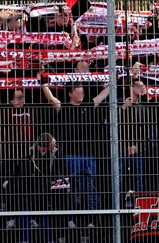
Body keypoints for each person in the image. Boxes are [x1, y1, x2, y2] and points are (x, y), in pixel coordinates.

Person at [41, 80, 112, 229]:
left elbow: (101, 96)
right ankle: (71, 219)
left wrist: (112, 81)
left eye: (83, 92)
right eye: (78, 92)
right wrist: (43, 83)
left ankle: (92, 220)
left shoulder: (88, 105)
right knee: (71, 188)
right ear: (70, 93)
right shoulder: (64, 107)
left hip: (88, 156)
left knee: (90, 188)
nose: (81, 95)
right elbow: (51, 98)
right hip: (71, 156)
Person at [3, 133, 71, 243]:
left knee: (43, 212)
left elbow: (61, 167)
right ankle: (28, 240)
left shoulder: (53, 153)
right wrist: (8, 178)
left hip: (42, 188)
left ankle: (45, 240)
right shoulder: (30, 153)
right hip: (29, 187)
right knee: (28, 212)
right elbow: (18, 167)